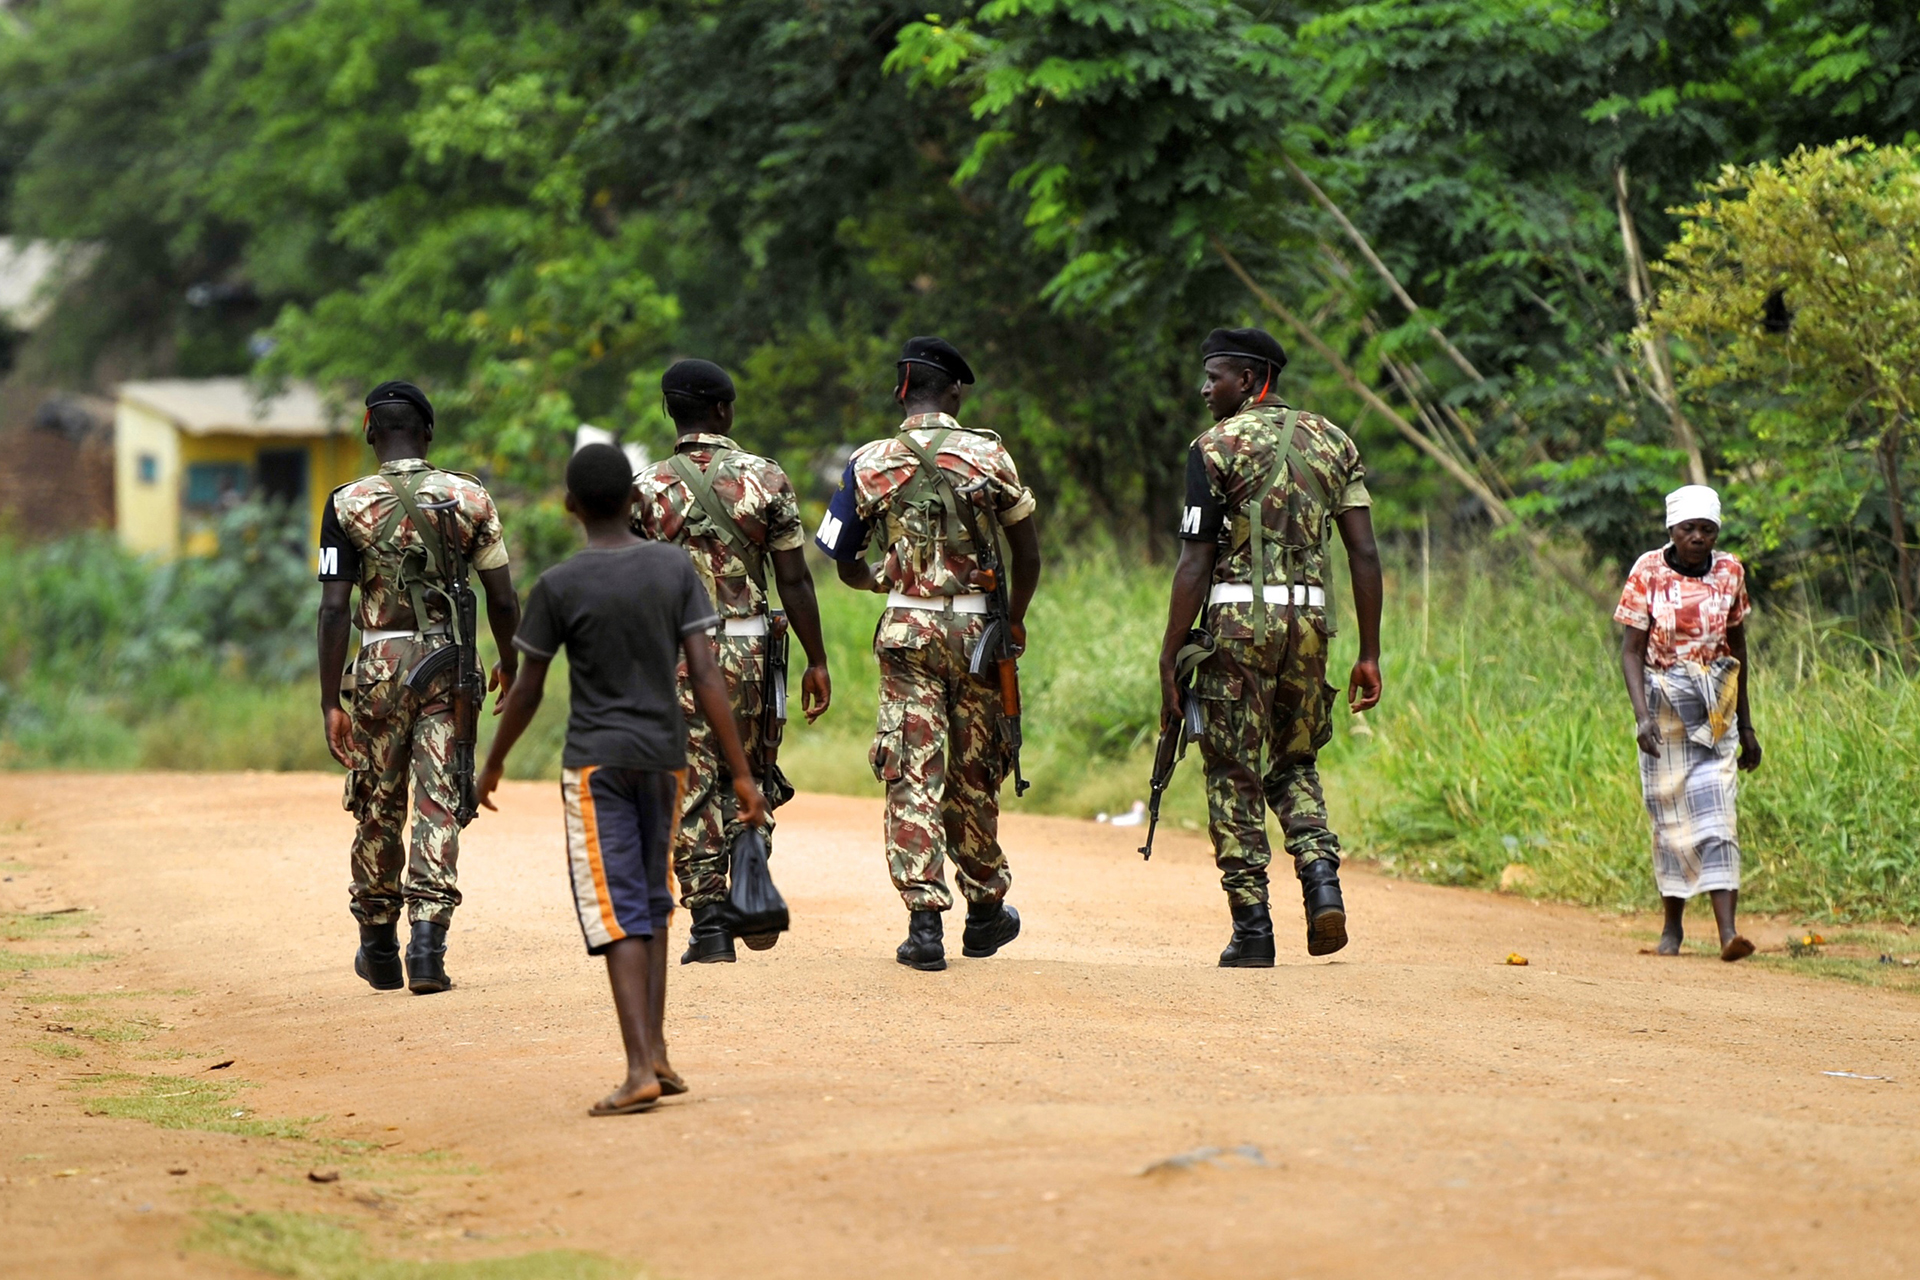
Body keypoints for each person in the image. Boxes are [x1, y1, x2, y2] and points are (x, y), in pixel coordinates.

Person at [477, 443, 767, 1116]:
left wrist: (493, 762)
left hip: (597, 763)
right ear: (636, 500)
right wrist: (742, 772)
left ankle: (639, 1069)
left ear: (570, 506)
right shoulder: (672, 568)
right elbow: (705, 673)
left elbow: (527, 689)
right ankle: (656, 1053)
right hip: (665, 760)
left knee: (617, 908)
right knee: (654, 900)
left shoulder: (558, 585)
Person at [1157, 327, 1383, 967]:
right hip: (1311, 628)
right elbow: (1364, 552)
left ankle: (1253, 929)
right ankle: (1321, 880)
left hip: (1236, 629)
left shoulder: (1212, 448)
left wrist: (1170, 655)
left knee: (1232, 768)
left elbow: (1194, 561)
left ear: (1250, 379)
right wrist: (1369, 652)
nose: (1205, 390)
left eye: (1215, 377)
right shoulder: (1335, 441)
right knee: (1295, 758)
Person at [814, 336, 1041, 971]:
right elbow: (1027, 552)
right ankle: (985, 911)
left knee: (913, 768)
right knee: (975, 767)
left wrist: (881, 581)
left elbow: (840, 555)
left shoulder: (869, 462)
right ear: (955, 393)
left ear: (901, 391)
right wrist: (1014, 620)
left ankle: (923, 926)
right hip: (978, 634)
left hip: (907, 630)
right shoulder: (989, 454)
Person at [318, 380, 521, 995]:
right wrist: (510, 662)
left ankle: (379, 946)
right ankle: (428, 949)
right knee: (439, 798)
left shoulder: (346, 504)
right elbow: (502, 597)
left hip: (380, 666)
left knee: (378, 800)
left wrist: (330, 701)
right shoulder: (469, 497)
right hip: (449, 664)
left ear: (370, 432)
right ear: (428, 433)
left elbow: (333, 608)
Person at [632, 358, 831, 964]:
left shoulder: (643, 489)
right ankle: (750, 859)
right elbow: (793, 579)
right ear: (723, 410)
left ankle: (711, 925)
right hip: (750, 649)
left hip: (674, 653)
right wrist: (817, 660)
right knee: (751, 766)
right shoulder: (766, 478)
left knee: (688, 780)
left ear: (669, 411)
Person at [1615, 484, 1761, 961]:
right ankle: (1672, 926)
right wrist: (1641, 717)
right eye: (1688, 529)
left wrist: (1747, 726)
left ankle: (1727, 934)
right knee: (1671, 819)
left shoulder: (1730, 571)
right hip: (1663, 710)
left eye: (1707, 529)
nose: (1698, 538)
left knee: (1720, 815)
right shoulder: (1648, 571)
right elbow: (1631, 651)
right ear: (1672, 531)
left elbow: (1737, 648)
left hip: (1716, 708)